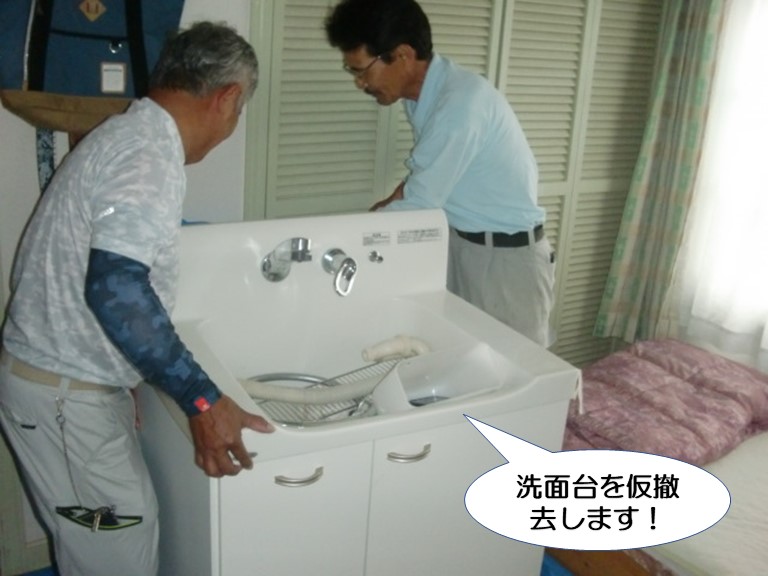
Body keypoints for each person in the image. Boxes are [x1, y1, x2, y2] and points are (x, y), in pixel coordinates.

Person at [0, 22, 273, 576]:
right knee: (116, 554)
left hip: (65, 384)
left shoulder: (129, 133)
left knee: (113, 541)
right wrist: (203, 400)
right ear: (227, 98)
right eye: (239, 111)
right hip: (64, 395)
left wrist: (124, 373)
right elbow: (117, 289)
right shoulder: (149, 155)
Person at [325, 0, 556, 346]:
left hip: (505, 264)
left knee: (511, 372)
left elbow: (419, 203)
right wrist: (385, 206)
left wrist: (342, 238)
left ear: (402, 55)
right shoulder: (422, 96)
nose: (360, 83)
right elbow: (427, 174)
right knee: (456, 359)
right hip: (464, 246)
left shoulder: (459, 105)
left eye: (362, 70)